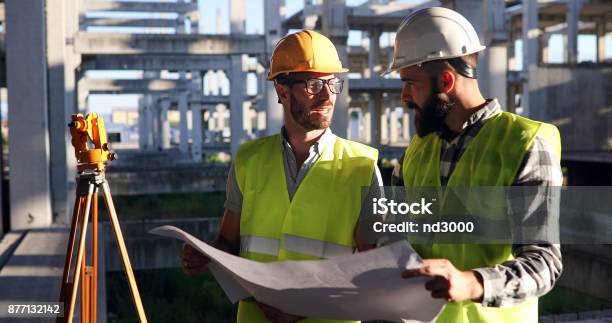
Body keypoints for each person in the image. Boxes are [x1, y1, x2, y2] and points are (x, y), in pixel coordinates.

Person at [181, 29, 383, 323]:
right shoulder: (249, 160)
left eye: (332, 83)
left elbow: (374, 270)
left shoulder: (361, 166)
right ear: (282, 91)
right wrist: (206, 255)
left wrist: (306, 306)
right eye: (314, 85)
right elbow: (228, 242)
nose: (327, 96)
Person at [384, 7, 563, 323]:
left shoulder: (525, 143)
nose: (403, 96)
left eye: (410, 82)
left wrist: (472, 282)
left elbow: (544, 263)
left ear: (447, 80)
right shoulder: (416, 150)